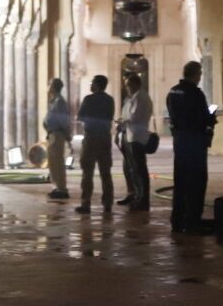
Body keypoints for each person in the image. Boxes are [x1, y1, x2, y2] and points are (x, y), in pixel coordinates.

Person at [164, 61, 214, 233]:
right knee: (197, 181)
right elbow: (203, 118)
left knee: (180, 181)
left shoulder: (173, 91)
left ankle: (177, 220)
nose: (200, 77)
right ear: (196, 74)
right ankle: (192, 220)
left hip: (180, 141)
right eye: (199, 74)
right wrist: (211, 117)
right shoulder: (195, 93)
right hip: (195, 142)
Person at [75, 75, 116, 212]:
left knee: (87, 171)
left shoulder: (89, 99)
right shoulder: (110, 100)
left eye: (92, 83)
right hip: (105, 138)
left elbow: (80, 116)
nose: (90, 85)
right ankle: (108, 203)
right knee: (105, 172)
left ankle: (86, 203)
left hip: (91, 137)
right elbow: (109, 117)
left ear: (97, 85)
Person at [117, 70, 155, 211]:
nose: (127, 88)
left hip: (137, 137)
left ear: (135, 84)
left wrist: (123, 121)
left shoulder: (140, 97)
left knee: (140, 170)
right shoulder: (135, 97)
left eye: (128, 85)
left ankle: (143, 199)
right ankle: (138, 197)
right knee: (135, 169)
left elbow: (134, 117)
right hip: (132, 136)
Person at [43, 77, 72, 200]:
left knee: (58, 162)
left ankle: (62, 189)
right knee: (53, 162)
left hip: (58, 133)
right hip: (52, 133)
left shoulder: (59, 102)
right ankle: (57, 186)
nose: (48, 87)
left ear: (53, 87)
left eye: (49, 85)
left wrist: (67, 134)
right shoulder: (53, 101)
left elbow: (63, 120)